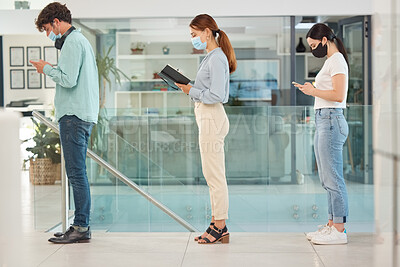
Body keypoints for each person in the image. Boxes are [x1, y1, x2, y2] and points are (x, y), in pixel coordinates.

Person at [30, 2, 99, 244]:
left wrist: (46, 68)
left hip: (73, 116)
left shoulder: (72, 42)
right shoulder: (81, 42)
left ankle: (81, 226)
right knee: (78, 173)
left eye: (48, 27)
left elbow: (68, 80)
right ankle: (80, 225)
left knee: (76, 174)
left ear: (56, 22)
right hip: (82, 114)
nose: (49, 33)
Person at [176, 14, 236, 244]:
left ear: (207, 32)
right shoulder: (210, 57)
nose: (193, 39)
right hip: (206, 117)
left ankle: (219, 226)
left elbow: (218, 95)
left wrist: (190, 90)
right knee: (211, 174)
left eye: (194, 34)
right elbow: (207, 89)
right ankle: (217, 222)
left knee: (215, 176)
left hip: (212, 117)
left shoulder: (217, 58)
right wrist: (189, 87)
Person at [294, 23, 349, 245]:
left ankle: (339, 229)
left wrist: (312, 90)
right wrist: (313, 89)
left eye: (315, 45)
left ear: (325, 40)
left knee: (333, 177)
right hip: (324, 120)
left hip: (331, 120)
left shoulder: (337, 61)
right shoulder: (330, 61)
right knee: (327, 178)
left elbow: (338, 94)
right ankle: (331, 224)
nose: (313, 49)